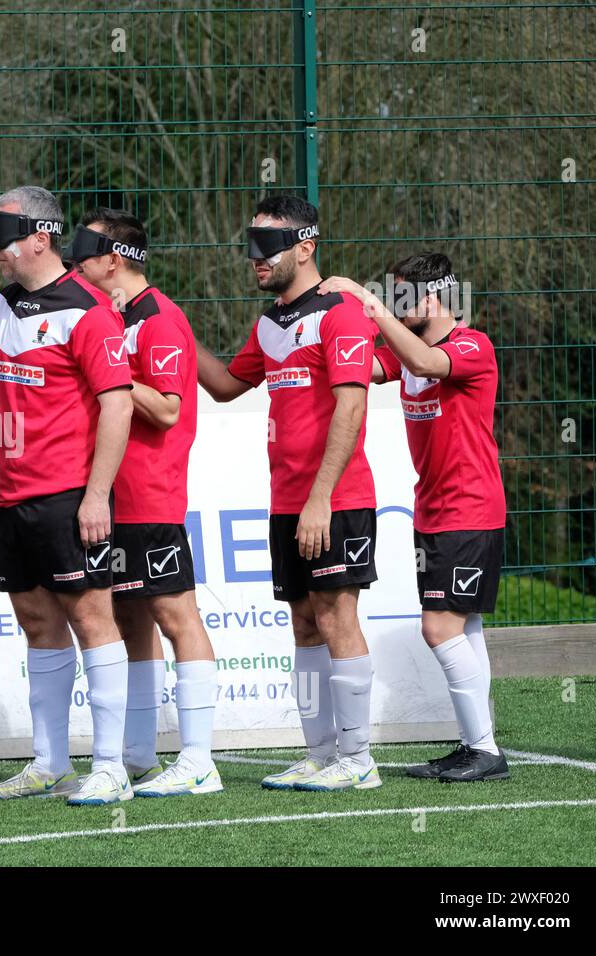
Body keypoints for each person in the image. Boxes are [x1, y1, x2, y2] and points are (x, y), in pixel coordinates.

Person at [0, 186, 135, 805]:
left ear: (41, 237)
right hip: (11, 496)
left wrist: (97, 496)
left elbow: (118, 404)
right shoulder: (3, 302)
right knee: (38, 623)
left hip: (70, 495)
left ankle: (112, 766)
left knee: (93, 620)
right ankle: (51, 763)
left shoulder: (91, 309)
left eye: (5, 242)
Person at [195, 194, 382, 792]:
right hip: (286, 501)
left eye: (267, 245)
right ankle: (321, 753)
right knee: (303, 624)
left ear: (306, 247)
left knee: (335, 616)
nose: (255, 257)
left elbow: (353, 406)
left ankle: (359, 761)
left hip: (337, 498)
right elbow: (225, 386)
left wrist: (322, 496)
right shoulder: (271, 322)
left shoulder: (341, 315)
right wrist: (173, 327)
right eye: (250, 244)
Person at [319, 254, 509, 782]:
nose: (396, 308)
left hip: (470, 510)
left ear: (431, 299)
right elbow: (367, 365)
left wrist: (369, 302)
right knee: (465, 627)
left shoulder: (472, 346)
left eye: (404, 298)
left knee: (439, 626)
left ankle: (487, 751)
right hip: (433, 509)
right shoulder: (409, 352)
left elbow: (425, 364)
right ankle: (477, 743)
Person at [65, 209, 222, 797]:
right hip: (113, 498)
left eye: (83, 256)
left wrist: (110, 374)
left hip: (152, 497)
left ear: (114, 260)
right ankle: (137, 753)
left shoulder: (157, 318)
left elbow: (168, 407)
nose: (74, 266)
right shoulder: (115, 317)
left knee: (177, 616)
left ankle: (200, 759)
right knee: (131, 620)